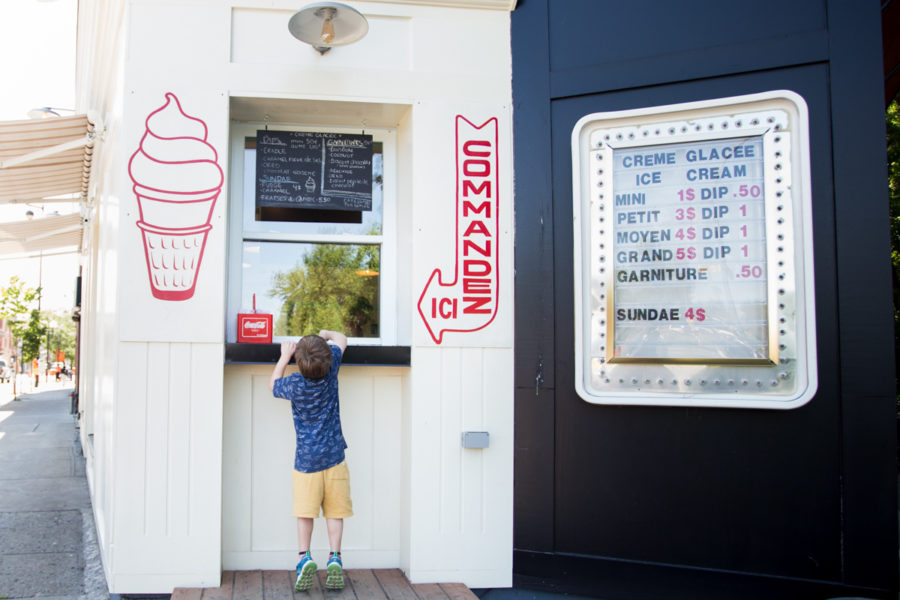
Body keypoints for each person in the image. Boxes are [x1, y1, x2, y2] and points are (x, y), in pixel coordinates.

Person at [269, 329, 352, 592]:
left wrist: (284, 357)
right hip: (335, 458)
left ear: (298, 362)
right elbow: (342, 340)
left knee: (305, 512)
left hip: (306, 462)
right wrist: (326, 333)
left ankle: (304, 557)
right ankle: (335, 557)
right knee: (335, 512)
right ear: (328, 360)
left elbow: (272, 385)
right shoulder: (331, 370)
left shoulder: (294, 384)